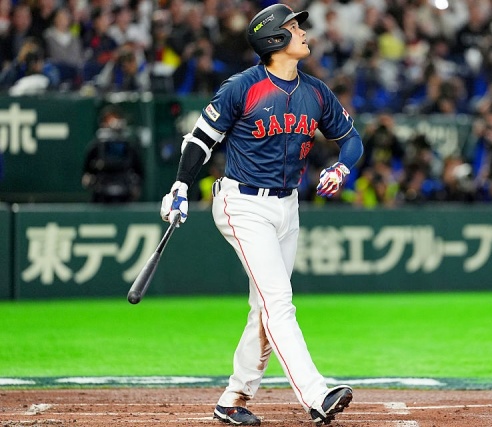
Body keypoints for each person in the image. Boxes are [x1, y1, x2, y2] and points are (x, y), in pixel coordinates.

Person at [159, 4, 363, 426]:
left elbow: (351, 140)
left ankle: (233, 398)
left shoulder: (315, 91)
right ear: (274, 39)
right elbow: (200, 140)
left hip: (288, 205)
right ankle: (316, 395)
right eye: (293, 27)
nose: (302, 32)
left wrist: (342, 167)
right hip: (243, 203)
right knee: (279, 302)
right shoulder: (242, 87)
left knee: (264, 308)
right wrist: (179, 186)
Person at [81, 106, 144, 203]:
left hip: (125, 196)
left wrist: (135, 185)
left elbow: (139, 171)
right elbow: (87, 172)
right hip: (100, 196)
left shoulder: (130, 147)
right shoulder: (96, 147)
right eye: (109, 122)